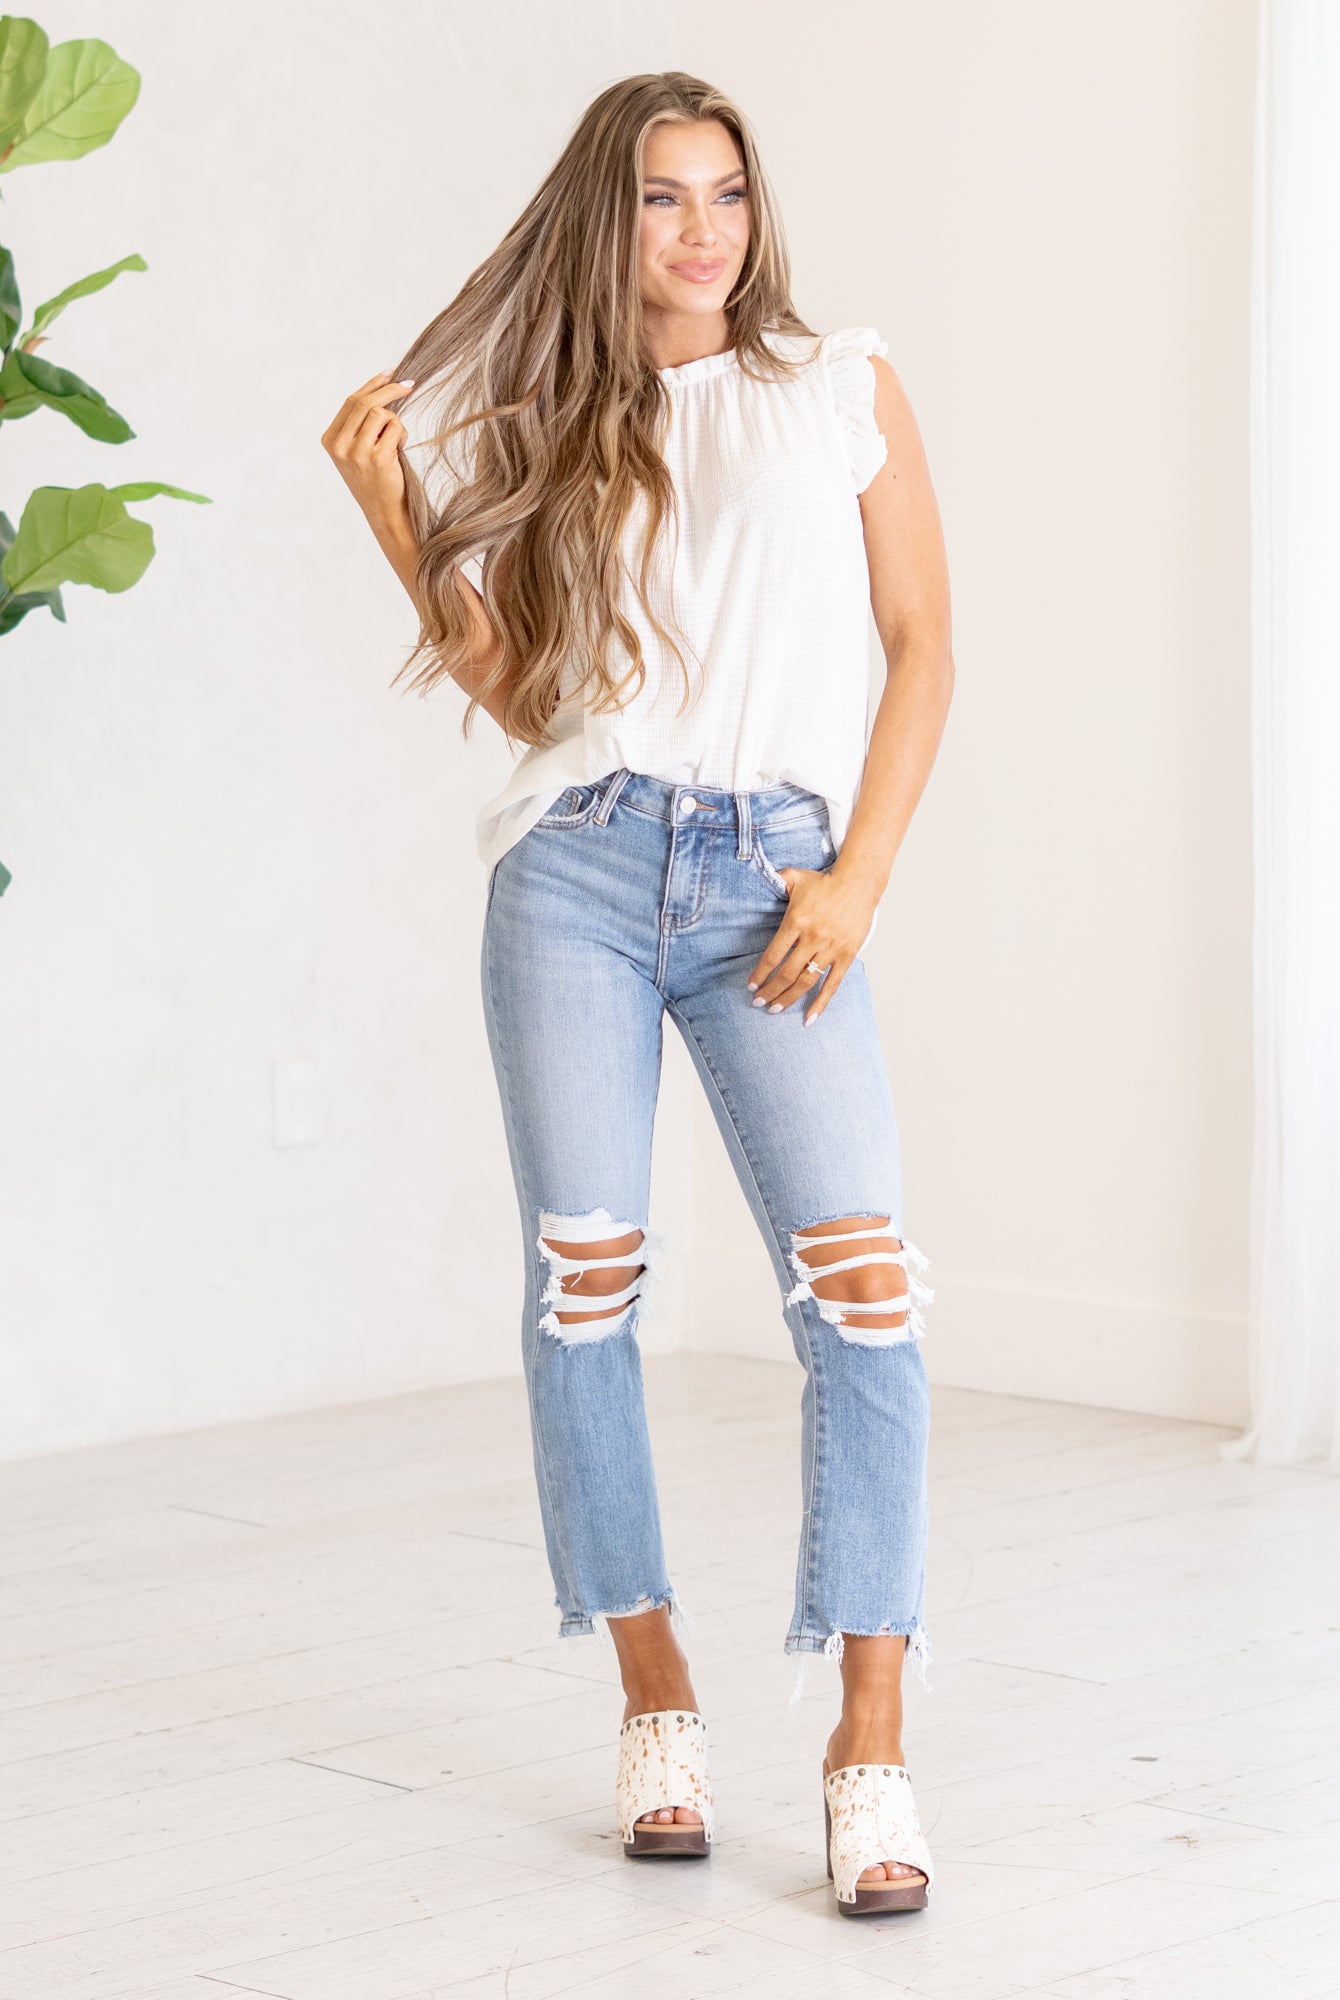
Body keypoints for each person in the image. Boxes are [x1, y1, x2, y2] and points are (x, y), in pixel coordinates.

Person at [321, 70, 953, 1917]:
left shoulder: (838, 385)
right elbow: (532, 700)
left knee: (868, 1296)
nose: (703, 231)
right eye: (666, 197)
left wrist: (857, 877)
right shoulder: (562, 423)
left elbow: (923, 645)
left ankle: (869, 1739)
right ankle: (655, 1694)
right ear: (610, 217)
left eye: (728, 193)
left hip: (777, 882)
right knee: (583, 1291)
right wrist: (394, 512)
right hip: (579, 872)